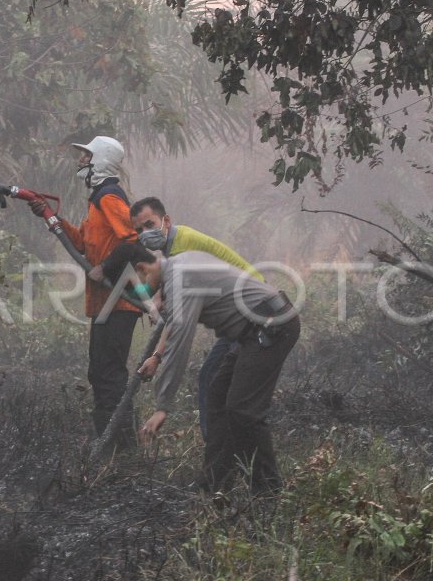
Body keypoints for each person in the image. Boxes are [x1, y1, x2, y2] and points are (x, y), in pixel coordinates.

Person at [102, 243, 300, 494]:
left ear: (141, 269)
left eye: (134, 287)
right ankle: (215, 488)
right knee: (217, 394)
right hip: (254, 331)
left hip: (273, 327)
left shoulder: (180, 278)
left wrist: (162, 407)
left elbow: (180, 342)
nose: (140, 294)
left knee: (243, 411)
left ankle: (268, 494)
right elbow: (174, 324)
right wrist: (156, 355)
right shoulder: (176, 268)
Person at [30, 136, 139, 441]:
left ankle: (118, 446)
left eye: (86, 156)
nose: (81, 161)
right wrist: (50, 216)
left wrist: (104, 268)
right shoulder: (97, 201)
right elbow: (82, 243)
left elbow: (131, 240)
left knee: (109, 373)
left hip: (120, 301)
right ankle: (108, 441)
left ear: (101, 161)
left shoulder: (109, 196)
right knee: (100, 372)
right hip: (107, 302)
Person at [129, 196, 261, 442]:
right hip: (240, 315)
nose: (145, 234)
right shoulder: (174, 248)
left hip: (250, 312)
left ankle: (216, 447)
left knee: (214, 380)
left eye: (149, 224)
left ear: (165, 221)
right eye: (139, 230)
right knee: (216, 381)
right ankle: (222, 448)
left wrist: (157, 357)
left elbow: (180, 319)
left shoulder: (182, 247)